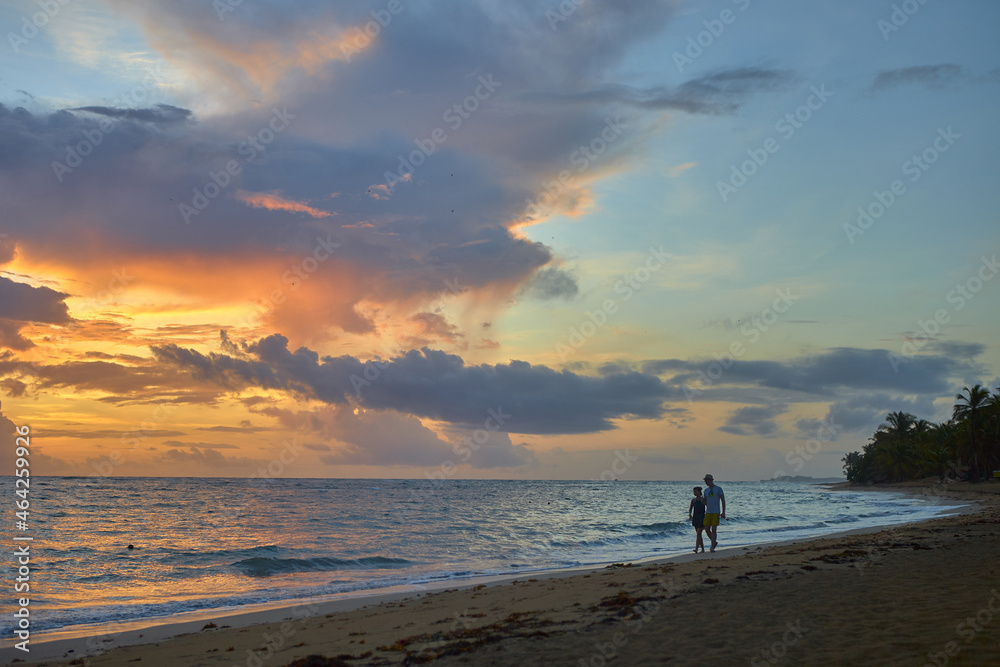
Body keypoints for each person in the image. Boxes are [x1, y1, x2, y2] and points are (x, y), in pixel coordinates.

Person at [702, 474, 726, 552]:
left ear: (711, 480)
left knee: (714, 529)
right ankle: (714, 542)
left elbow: (723, 500)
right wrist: (702, 501)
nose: (706, 482)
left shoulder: (718, 489)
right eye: (705, 480)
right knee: (706, 529)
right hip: (708, 512)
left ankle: (712, 546)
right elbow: (706, 502)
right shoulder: (706, 490)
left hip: (716, 512)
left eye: (707, 480)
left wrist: (723, 512)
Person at [688, 486, 706, 553]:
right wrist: (690, 515)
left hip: (702, 517)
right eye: (693, 491)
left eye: (695, 491)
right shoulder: (693, 500)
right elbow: (690, 509)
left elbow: (708, 506)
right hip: (695, 517)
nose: (694, 493)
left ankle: (696, 548)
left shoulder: (703, 499)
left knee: (698, 533)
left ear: (699, 491)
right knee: (699, 534)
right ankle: (702, 549)